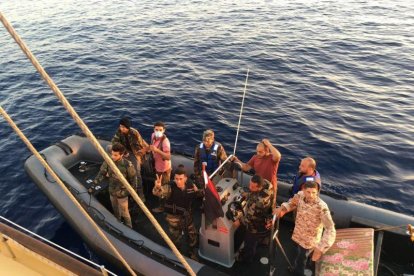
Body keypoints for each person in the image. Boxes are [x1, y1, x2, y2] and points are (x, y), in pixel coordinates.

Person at [274, 181, 336, 275]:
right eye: (308, 192)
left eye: (314, 192)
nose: (311, 195)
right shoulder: (300, 196)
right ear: (303, 190)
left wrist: (320, 248)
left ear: (317, 192)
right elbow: (292, 203)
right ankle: (306, 263)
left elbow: (330, 229)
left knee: (301, 260)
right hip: (298, 233)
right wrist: (283, 208)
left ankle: (297, 273)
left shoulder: (321, 207)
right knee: (298, 253)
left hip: (309, 240)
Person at [152, 167, 202, 260]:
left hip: (187, 216)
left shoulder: (190, 185)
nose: (178, 181)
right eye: (176, 179)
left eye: (181, 179)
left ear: (185, 178)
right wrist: (157, 187)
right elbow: (159, 192)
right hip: (173, 219)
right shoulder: (170, 187)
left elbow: (197, 194)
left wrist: (201, 191)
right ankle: (177, 256)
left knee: (193, 236)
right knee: (176, 239)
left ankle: (192, 252)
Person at [92, 143, 136, 228]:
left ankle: (129, 227)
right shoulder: (108, 162)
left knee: (125, 212)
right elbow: (101, 173)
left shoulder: (127, 165)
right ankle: (118, 224)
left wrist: (124, 193)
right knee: (115, 210)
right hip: (112, 191)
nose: (113, 157)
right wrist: (95, 183)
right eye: (112, 154)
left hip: (122, 194)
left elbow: (133, 183)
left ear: (122, 154)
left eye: (115, 155)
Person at [233, 175, 273, 263]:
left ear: (259, 187)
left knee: (249, 241)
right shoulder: (266, 184)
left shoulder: (260, 202)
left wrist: (239, 221)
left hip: (258, 225)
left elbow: (249, 217)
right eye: (249, 184)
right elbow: (255, 194)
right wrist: (248, 194)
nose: (249, 187)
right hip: (266, 218)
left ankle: (246, 259)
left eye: (252, 187)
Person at [234, 139, 281, 207]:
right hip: (257, 186)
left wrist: (269, 144)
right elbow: (246, 167)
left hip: (269, 188)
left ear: (267, 151)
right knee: (254, 204)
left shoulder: (272, 158)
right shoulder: (255, 157)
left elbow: (278, 156)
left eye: (260, 152)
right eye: (257, 151)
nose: (258, 153)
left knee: (269, 206)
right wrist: (236, 160)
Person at [110, 117, 147, 202]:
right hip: (124, 152)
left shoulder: (134, 133)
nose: (121, 128)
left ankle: (141, 195)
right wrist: (123, 151)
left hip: (135, 153)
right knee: (109, 148)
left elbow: (141, 143)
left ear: (127, 127)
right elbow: (114, 141)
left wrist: (142, 154)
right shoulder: (119, 132)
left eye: (123, 127)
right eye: (120, 126)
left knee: (137, 173)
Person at [148, 121, 172, 213]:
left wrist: (157, 150)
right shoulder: (153, 136)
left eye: (160, 130)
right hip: (157, 166)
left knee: (163, 188)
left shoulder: (165, 142)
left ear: (164, 130)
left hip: (164, 169)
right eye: (156, 129)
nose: (158, 131)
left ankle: (163, 207)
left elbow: (168, 157)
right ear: (154, 129)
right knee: (158, 185)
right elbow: (151, 147)